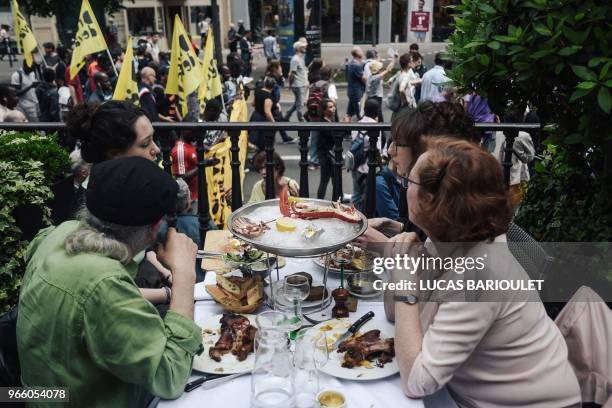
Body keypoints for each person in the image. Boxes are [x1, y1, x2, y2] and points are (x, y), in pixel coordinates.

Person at [386, 138, 581, 407]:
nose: (403, 183)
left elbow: (417, 382)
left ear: (429, 200)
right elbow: (395, 315)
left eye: (408, 179)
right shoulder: (449, 237)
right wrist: (399, 262)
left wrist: (405, 285)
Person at [17, 156, 202, 406]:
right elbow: (170, 377)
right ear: (156, 225)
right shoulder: (104, 284)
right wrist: (184, 277)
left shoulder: (58, 233)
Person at [356, 101, 478, 247]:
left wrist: (385, 246)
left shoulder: (453, 206)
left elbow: (442, 266)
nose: (390, 150)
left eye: (398, 143)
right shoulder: (446, 191)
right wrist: (394, 226)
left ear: (423, 151)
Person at [350, 98, 382, 209]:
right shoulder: (376, 127)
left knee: (356, 193)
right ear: (377, 111)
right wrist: (381, 166)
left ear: (364, 109)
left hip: (355, 163)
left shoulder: (357, 124)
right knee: (366, 194)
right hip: (367, 167)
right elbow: (377, 150)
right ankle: (363, 216)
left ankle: (353, 215)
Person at [263, 60, 296, 144]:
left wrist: (281, 75)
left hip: (274, 102)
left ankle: (284, 137)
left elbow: (281, 84)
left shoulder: (274, 76)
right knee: (276, 120)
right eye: (279, 67)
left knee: (278, 120)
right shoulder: (270, 78)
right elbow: (271, 91)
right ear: (275, 68)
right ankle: (279, 138)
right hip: (272, 102)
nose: (281, 68)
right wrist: (275, 102)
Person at [171, 130, 199, 211]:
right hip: (189, 201)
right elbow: (181, 178)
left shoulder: (190, 144)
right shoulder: (180, 150)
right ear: (185, 130)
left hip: (198, 195)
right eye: (193, 131)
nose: (196, 133)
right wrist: (202, 165)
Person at [316, 98, 339, 199]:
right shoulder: (323, 123)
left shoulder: (332, 119)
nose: (333, 109)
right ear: (324, 110)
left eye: (333, 106)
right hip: (325, 156)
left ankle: (337, 200)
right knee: (324, 180)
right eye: (330, 107)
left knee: (336, 180)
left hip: (331, 154)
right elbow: (332, 137)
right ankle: (320, 200)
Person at [365, 55, 397, 123]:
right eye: (380, 68)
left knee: (376, 115)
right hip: (375, 98)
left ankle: (380, 130)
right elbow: (388, 70)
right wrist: (394, 59)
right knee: (378, 116)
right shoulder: (376, 77)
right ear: (377, 70)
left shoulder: (372, 76)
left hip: (372, 98)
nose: (381, 69)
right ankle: (381, 131)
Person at [249, 76, 277, 150]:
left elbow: (253, 104)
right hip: (263, 119)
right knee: (263, 141)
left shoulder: (258, 92)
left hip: (255, 115)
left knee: (254, 135)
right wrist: (273, 122)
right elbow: (267, 112)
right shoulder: (268, 97)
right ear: (273, 86)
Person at [285, 39, 309, 122]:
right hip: (298, 85)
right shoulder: (295, 59)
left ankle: (287, 115)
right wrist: (290, 84)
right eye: (303, 47)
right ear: (298, 48)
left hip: (302, 84)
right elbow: (292, 73)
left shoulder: (300, 58)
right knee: (300, 104)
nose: (305, 48)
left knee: (298, 102)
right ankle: (301, 121)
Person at [346, 46, 365, 120]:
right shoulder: (356, 65)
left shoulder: (352, 63)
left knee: (349, 113)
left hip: (352, 92)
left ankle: (346, 128)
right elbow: (363, 78)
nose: (362, 52)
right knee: (359, 114)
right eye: (360, 50)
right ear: (357, 53)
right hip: (356, 93)